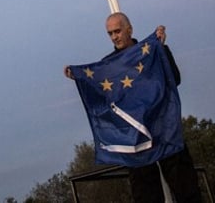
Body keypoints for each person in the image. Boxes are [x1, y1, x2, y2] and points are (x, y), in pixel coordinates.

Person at [65, 12, 203, 203]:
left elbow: (174, 79)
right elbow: (102, 98)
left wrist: (160, 49)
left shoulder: (150, 51)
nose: (115, 36)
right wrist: (80, 78)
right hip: (135, 140)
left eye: (118, 31)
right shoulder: (109, 67)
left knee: (185, 187)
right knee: (145, 194)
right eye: (110, 33)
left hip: (163, 130)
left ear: (129, 29)